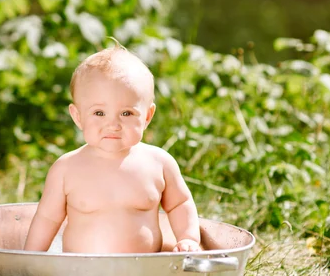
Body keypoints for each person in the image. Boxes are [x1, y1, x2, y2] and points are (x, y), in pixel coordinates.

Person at [24, 42, 201, 253]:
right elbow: (47, 218)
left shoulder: (159, 164)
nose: (113, 124)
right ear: (78, 116)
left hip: (146, 274)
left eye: (126, 113)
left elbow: (179, 204)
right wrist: (30, 259)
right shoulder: (66, 168)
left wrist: (189, 238)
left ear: (147, 116)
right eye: (99, 113)